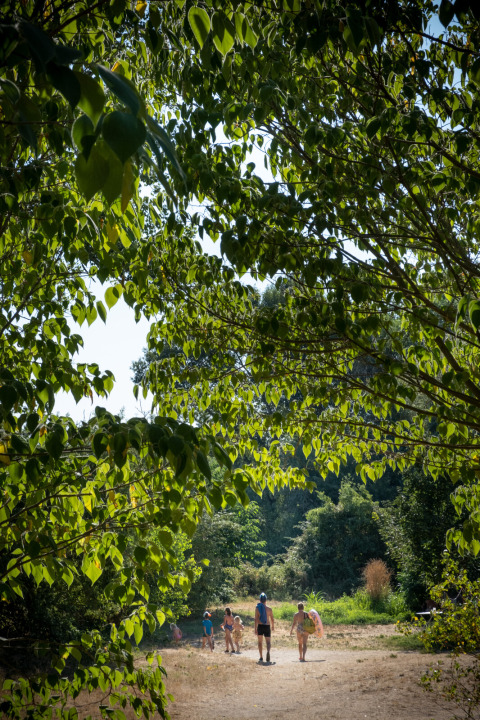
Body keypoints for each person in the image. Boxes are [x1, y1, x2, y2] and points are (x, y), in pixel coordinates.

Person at [255, 592, 274, 663]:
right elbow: (272, 618)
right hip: (267, 626)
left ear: (260, 600)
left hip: (260, 626)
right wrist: (273, 626)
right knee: (268, 642)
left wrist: (255, 629)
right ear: (266, 600)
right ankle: (268, 651)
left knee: (260, 642)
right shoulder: (269, 609)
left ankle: (261, 657)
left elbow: (256, 619)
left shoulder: (257, 608)